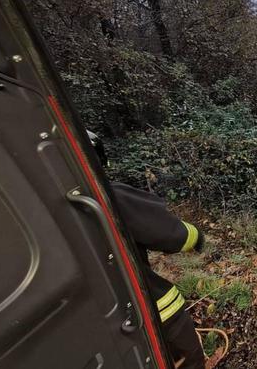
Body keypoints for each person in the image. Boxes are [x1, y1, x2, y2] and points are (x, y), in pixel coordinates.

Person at [88, 131, 207, 369]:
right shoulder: (111, 196)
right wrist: (197, 237)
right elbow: (171, 234)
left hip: (96, 324)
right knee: (190, 358)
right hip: (145, 306)